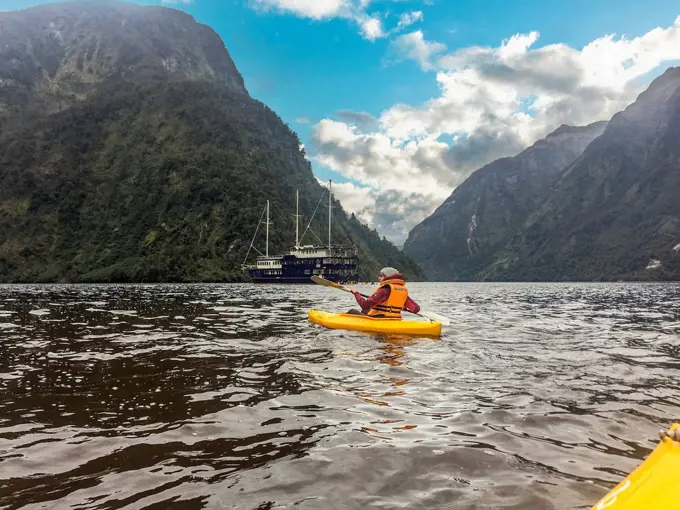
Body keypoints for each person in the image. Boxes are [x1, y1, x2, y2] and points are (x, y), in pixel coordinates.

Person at [348, 267, 420, 318]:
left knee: (352, 311)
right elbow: (416, 308)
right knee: (365, 311)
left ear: (388, 277)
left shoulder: (384, 290)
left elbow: (364, 304)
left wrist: (356, 293)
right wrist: (401, 307)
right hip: (395, 319)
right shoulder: (402, 291)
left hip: (380, 319)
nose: (379, 278)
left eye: (381, 276)